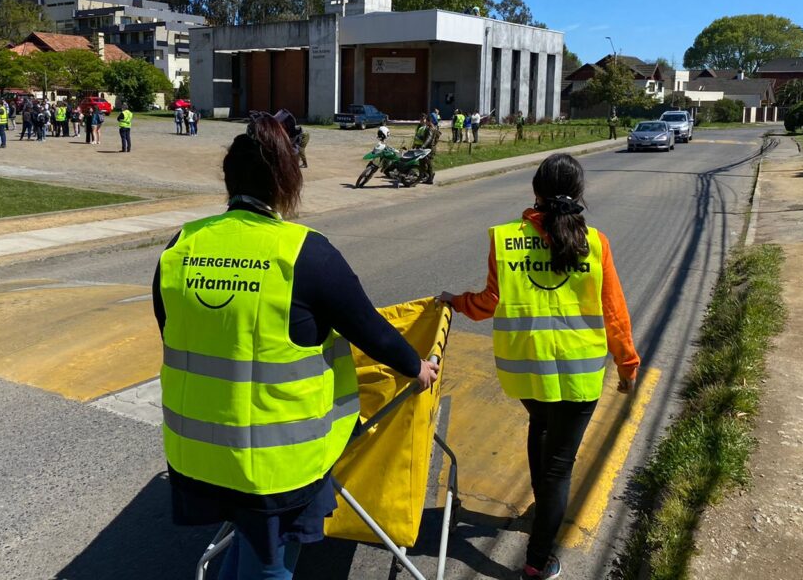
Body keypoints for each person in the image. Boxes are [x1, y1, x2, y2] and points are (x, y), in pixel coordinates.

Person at [153, 109, 439, 580]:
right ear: (288, 181)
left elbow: (172, 328)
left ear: (229, 181)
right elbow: (370, 329)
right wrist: (416, 367)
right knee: (273, 562)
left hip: (196, 452)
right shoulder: (305, 252)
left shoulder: (179, 246)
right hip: (275, 461)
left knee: (248, 543)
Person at [438, 153, 640, 580]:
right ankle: (538, 560)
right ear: (580, 192)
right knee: (559, 467)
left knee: (541, 429)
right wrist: (627, 366)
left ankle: (542, 509)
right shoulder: (595, 242)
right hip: (579, 375)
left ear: (535, 190)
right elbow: (614, 314)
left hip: (527, 373)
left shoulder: (505, 238)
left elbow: (489, 303)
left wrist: (454, 301)